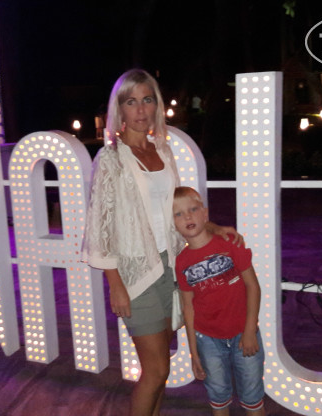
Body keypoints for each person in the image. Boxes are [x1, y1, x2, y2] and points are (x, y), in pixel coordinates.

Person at [82, 69, 240, 416]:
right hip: (136, 274)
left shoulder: (162, 151)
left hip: (171, 265)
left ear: (156, 105)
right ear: (119, 109)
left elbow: (174, 207)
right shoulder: (110, 159)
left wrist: (212, 227)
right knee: (154, 371)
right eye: (131, 102)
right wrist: (115, 284)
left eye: (147, 100)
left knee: (162, 370)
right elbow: (100, 225)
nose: (140, 109)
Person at [172, 186, 265, 416]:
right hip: (208, 340)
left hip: (243, 333)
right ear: (173, 223)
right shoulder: (181, 262)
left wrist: (250, 330)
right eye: (179, 214)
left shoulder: (230, 243)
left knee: (253, 396)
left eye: (193, 209)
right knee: (218, 396)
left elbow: (253, 286)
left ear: (205, 213)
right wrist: (194, 352)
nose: (188, 217)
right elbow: (188, 307)